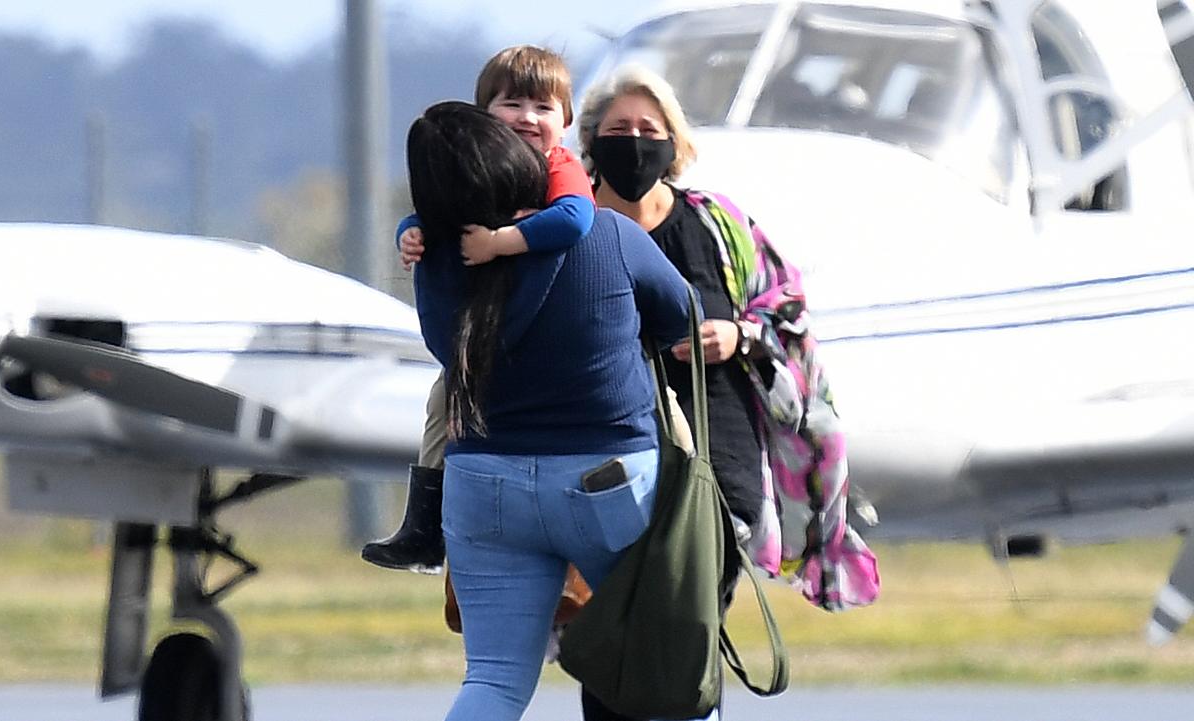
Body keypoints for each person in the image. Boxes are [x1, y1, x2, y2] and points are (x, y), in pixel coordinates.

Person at [406, 100, 693, 721]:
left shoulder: (436, 263)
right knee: (663, 666)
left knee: (493, 682)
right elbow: (680, 316)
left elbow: (443, 348)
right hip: (609, 478)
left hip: (483, 481)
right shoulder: (610, 234)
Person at [577, 65, 880, 614]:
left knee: (691, 629)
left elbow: (786, 306)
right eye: (620, 130)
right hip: (602, 459)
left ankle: (686, 700)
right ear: (593, 141)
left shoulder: (716, 225)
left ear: (674, 141)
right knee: (612, 637)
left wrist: (740, 336)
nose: (637, 142)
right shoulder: (569, 228)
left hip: (717, 465)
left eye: (651, 129)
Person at [363, 45, 593, 573]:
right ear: (482, 114)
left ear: (566, 121)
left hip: (551, 333)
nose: (527, 119)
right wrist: (411, 234)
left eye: (543, 108)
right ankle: (423, 526)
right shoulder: (468, 168)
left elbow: (577, 219)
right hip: (480, 335)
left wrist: (503, 241)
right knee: (443, 401)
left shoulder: (561, 167)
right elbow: (425, 212)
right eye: (512, 104)